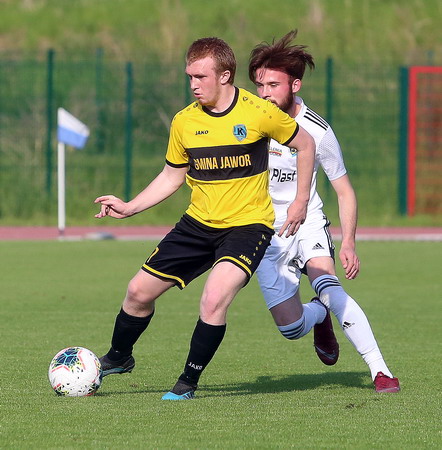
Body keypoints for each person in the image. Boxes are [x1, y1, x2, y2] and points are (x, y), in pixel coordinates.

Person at [94, 37, 316, 400]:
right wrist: (130, 207)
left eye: (201, 76)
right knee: (137, 293)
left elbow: (305, 144)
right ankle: (119, 356)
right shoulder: (184, 121)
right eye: (189, 77)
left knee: (213, 299)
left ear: (224, 76)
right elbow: (172, 176)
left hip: (248, 226)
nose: (193, 84)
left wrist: (301, 200)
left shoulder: (258, 111)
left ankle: (187, 383)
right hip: (198, 224)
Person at [248, 30, 400, 393]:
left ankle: (380, 370)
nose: (265, 93)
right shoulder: (249, 122)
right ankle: (318, 315)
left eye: (273, 85)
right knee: (290, 328)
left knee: (328, 284)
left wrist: (348, 242)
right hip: (266, 229)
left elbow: (344, 190)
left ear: (295, 85)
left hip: (308, 221)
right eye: (260, 85)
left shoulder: (317, 131)